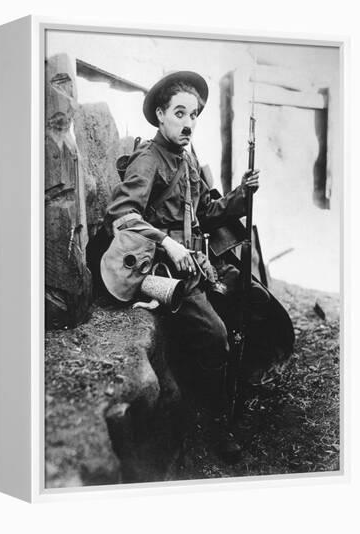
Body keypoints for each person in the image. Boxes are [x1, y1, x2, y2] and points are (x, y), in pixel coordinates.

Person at [102, 71, 293, 462]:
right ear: (160, 114)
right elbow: (121, 215)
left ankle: (234, 391)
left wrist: (243, 193)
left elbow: (206, 212)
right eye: (179, 113)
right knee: (215, 334)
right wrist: (167, 242)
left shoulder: (184, 158)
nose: (188, 123)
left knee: (251, 303)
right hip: (162, 271)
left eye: (194, 115)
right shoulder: (148, 159)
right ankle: (215, 424)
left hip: (196, 262)